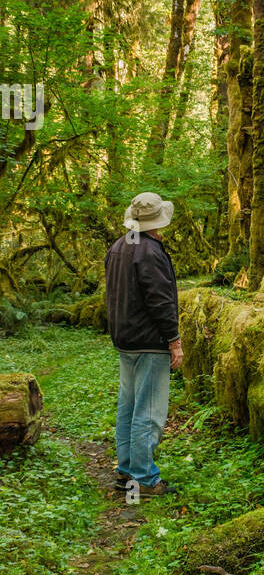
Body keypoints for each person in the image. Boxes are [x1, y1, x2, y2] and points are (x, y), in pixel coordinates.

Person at [105, 192, 184, 497]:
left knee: (128, 406)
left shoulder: (119, 246)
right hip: (150, 341)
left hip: (125, 339)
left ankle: (126, 470)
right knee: (148, 411)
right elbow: (160, 301)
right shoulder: (150, 251)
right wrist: (174, 341)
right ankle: (143, 478)